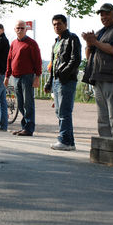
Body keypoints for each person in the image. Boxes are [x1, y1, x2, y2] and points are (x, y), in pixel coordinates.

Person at [82, 3, 113, 137]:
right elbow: (89, 57)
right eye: (101, 14)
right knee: (102, 117)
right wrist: (89, 44)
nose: (103, 17)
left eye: (106, 13)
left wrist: (96, 42)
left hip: (112, 78)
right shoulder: (99, 32)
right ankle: (105, 144)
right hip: (97, 78)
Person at [44, 14, 81, 150]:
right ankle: (69, 142)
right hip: (56, 80)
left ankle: (64, 140)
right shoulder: (56, 42)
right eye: (54, 24)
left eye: (59, 23)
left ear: (65, 24)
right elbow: (53, 64)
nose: (56, 26)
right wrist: (49, 82)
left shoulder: (72, 38)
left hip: (66, 80)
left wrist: (63, 73)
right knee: (59, 111)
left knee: (64, 112)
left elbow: (75, 59)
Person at [5, 20, 42, 136]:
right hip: (16, 77)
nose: (20, 30)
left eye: (22, 28)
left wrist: (37, 76)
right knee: (20, 104)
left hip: (28, 77)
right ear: (15, 30)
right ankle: (24, 126)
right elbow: (9, 60)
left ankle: (29, 128)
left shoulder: (32, 44)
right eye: (18, 28)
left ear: (26, 30)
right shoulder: (13, 44)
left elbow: (37, 61)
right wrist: (7, 76)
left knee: (28, 103)